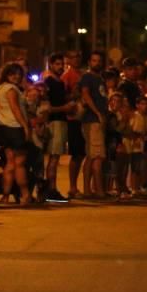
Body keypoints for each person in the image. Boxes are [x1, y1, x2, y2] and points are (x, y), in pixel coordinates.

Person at [0, 63, 31, 204]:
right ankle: (25, 194)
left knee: (9, 163)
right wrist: (25, 126)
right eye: (12, 74)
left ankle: (5, 196)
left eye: (18, 74)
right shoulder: (11, 90)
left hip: (4, 128)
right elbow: (16, 109)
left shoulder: (0, 89)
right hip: (15, 128)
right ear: (6, 75)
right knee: (20, 163)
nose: (16, 76)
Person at [42, 53, 73, 201]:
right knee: (53, 158)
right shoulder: (49, 81)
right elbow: (48, 107)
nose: (60, 67)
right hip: (55, 122)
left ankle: (51, 189)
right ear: (51, 64)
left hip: (61, 121)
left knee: (56, 157)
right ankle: (50, 190)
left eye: (62, 64)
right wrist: (65, 108)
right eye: (57, 64)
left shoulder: (59, 82)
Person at [79, 51, 108, 199]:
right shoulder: (87, 77)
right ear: (89, 62)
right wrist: (97, 112)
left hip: (100, 120)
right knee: (93, 155)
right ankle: (91, 190)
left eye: (99, 60)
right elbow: (85, 94)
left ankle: (95, 189)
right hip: (92, 120)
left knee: (97, 156)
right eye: (94, 60)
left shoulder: (100, 78)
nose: (97, 63)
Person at [62, 51, 85, 198]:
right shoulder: (67, 76)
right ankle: (72, 187)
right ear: (68, 60)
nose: (76, 59)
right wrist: (74, 95)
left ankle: (77, 186)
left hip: (83, 117)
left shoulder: (82, 74)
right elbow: (63, 96)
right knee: (76, 154)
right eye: (73, 57)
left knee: (82, 154)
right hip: (73, 118)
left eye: (78, 56)